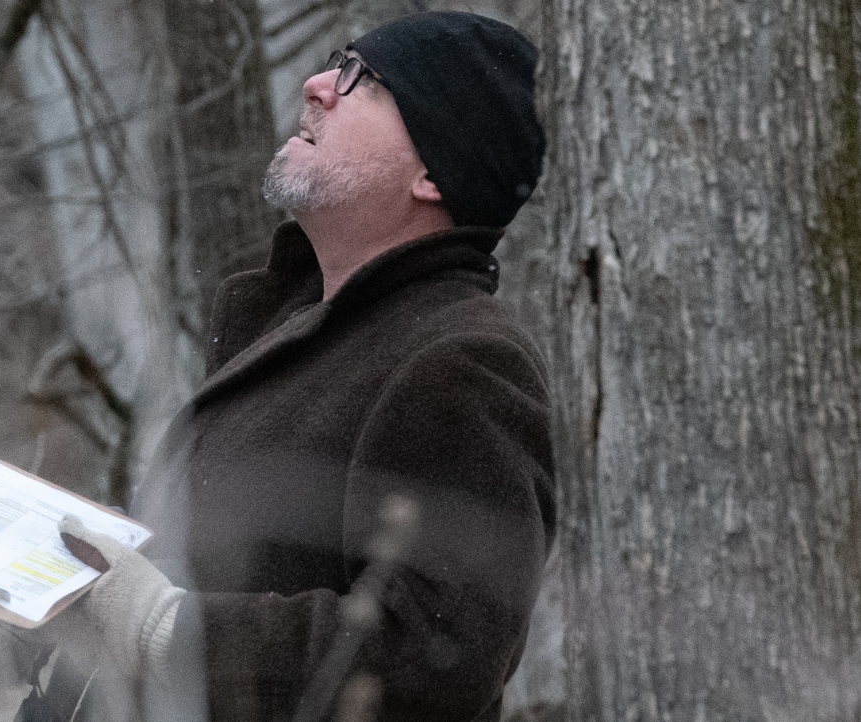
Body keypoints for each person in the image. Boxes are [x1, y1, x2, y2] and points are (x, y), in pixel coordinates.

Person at [38, 11, 555, 722]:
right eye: (335, 61)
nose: (317, 86)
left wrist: (165, 628)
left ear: (435, 172)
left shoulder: (464, 362)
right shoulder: (296, 328)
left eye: (362, 80)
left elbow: (436, 659)